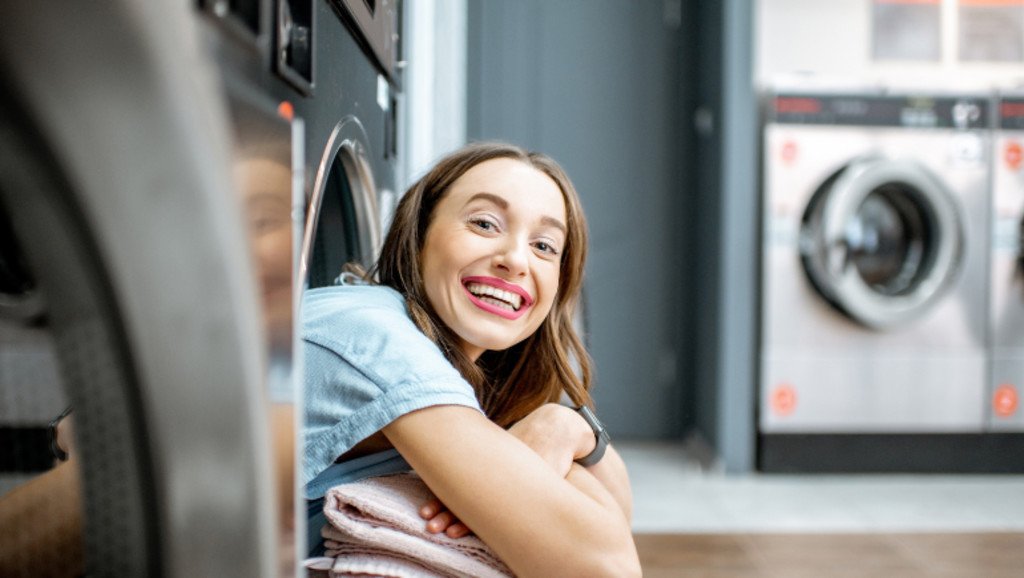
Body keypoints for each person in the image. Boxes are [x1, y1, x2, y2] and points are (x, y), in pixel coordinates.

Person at [302, 142, 641, 577]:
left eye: (544, 246)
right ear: (420, 232)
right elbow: (606, 567)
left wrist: (572, 427)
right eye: (484, 223)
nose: (516, 260)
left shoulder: (453, 367)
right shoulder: (378, 340)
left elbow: (618, 518)